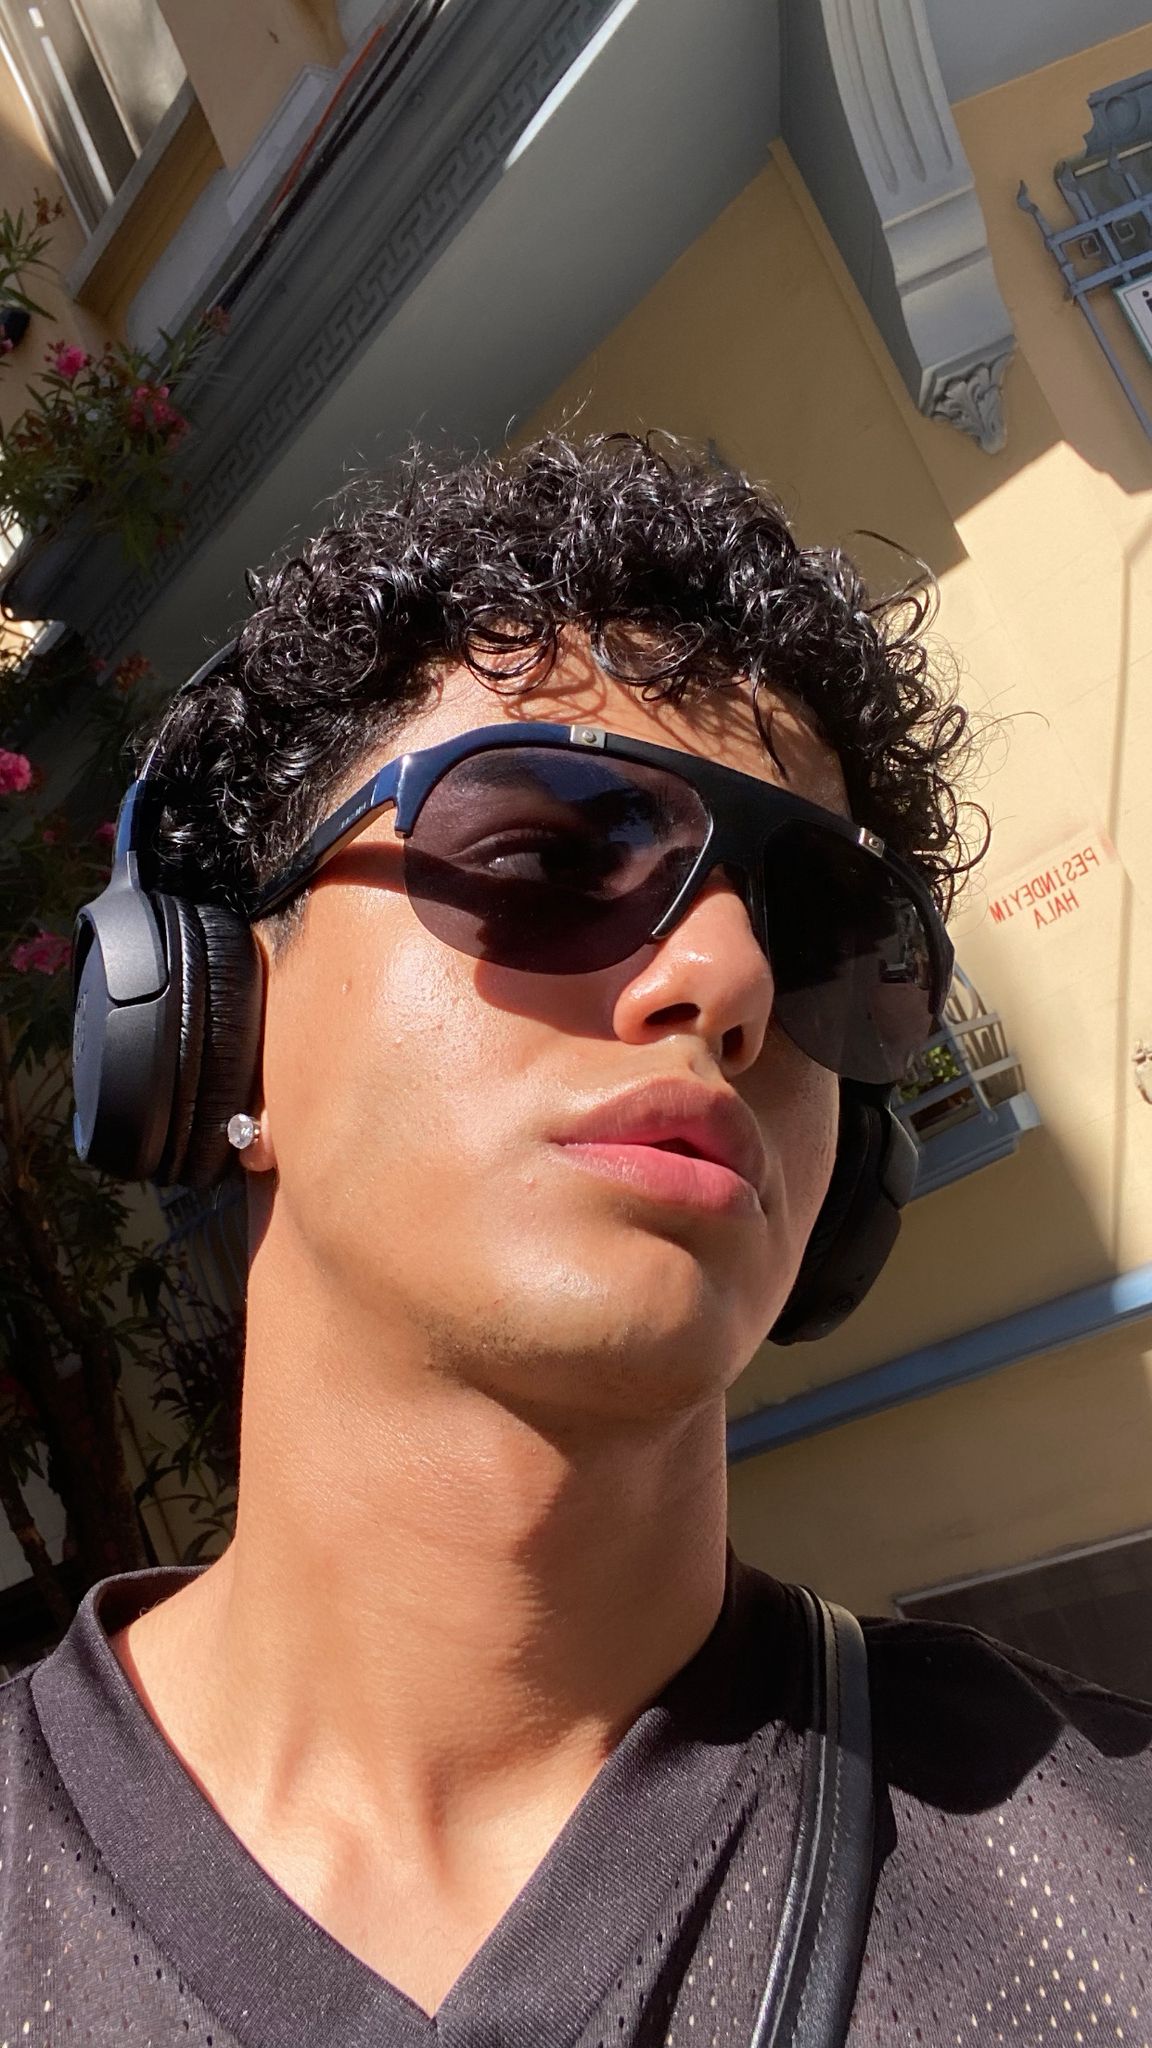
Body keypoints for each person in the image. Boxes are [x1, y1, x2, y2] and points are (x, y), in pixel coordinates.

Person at [5, 434, 1150, 2046]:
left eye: (821, 936)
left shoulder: (1112, 1887)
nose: (728, 979)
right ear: (212, 1029)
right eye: (546, 855)